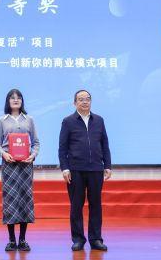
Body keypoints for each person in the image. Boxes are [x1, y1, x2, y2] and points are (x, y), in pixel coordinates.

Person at [58, 89, 112, 252]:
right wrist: (65, 168)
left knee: (96, 205)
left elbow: (105, 144)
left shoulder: (99, 120)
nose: (84, 101)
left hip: (96, 168)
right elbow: (62, 148)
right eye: (81, 99)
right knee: (76, 206)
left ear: (91, 101)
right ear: (75, 103)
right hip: (75, 170)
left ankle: (96, 239)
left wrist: (107, 165)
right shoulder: (68, 121)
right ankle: (78, 239)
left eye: (87, 99)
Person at [0, 89, 40, 252]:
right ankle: (12, 240)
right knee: (10, 201)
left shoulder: (29, 120)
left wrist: (33, 155)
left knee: (25, 200)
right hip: (9, 165)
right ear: (8, 101)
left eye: (18, 97)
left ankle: (23, 239)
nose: (16, 100)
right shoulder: (2, 121)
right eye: (12, 98)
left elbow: (36, 143)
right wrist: (4, 154)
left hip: (26, 165)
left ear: (22, 101)